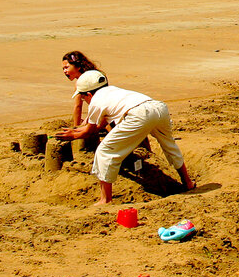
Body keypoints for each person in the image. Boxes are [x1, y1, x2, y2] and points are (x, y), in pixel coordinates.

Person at [56, 70, 195, 205]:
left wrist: (72, 135)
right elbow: (101, 123)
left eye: (83, 97)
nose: (84, 100)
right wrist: (77, 130)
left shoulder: (95, 101)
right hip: (158, 108)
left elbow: (89, 131)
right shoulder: (113, 91)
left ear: (88, 94)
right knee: (169, 144)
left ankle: (105, 200)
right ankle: (187, 182)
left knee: (105, 151)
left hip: (139, 114)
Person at [62, 50, 102, 126]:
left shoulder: (81, 83)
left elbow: (78, 106)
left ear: (78, 67)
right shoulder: (96, 76)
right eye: (63, 69)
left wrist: (75, 127)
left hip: (103, 113)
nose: (64, 71)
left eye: (66, 67)